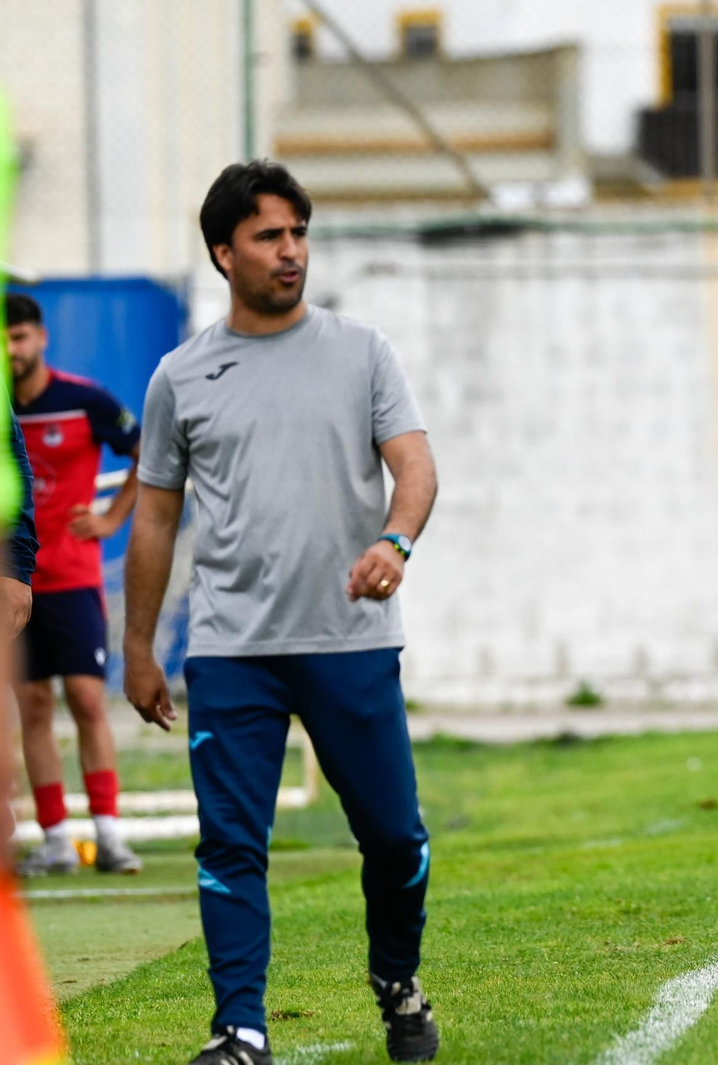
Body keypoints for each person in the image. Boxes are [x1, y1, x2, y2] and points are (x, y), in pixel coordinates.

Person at [123, 160, 441, 1064]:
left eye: (299, 232)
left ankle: (397, 979)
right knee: (230, 843)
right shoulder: (181, 376)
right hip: (232, 650)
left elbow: (415, 466)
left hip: (350, 642)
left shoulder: (362, 350)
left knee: (395, 839)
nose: (291, 250)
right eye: (269, 235)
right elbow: (156, 518)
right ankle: (241, 1028)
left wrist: (395, 542)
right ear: (224, 253)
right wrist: (138, 647)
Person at [5, 292, 143, 876]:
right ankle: (56, 839)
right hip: (14, 582)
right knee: (33, 705)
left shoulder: (84, 400)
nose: (11, 351)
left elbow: (147, 453)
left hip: (74, 576)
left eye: (19, 338)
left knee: (87, 699)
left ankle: (109, 834)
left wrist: (111, 520)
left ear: (41, 337)